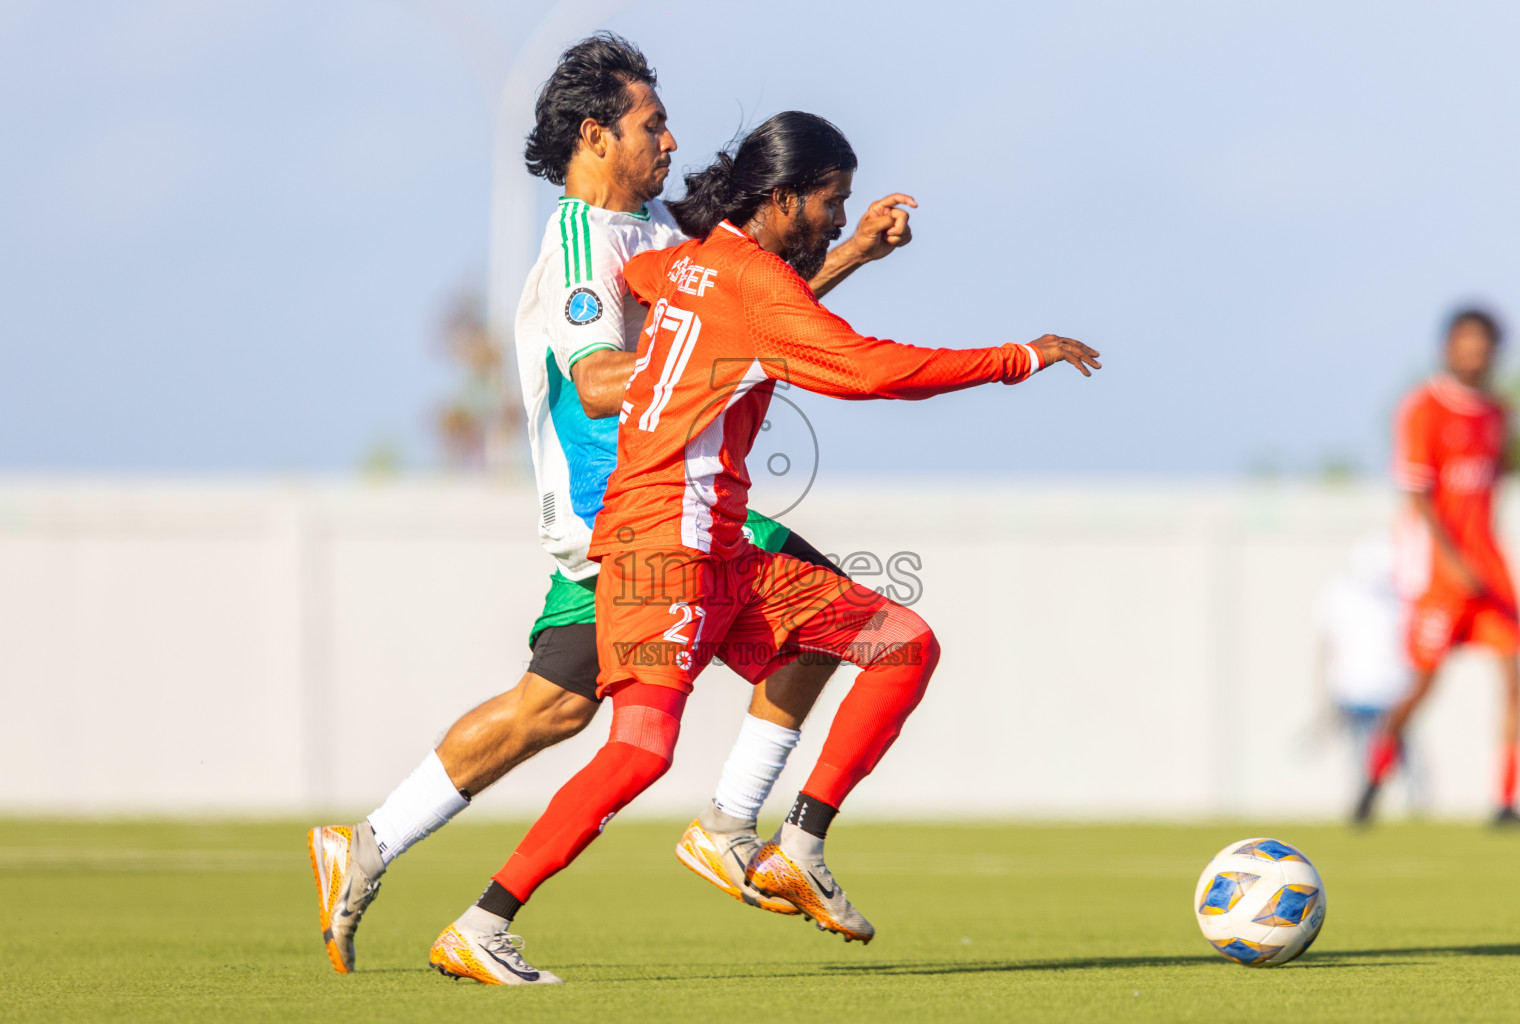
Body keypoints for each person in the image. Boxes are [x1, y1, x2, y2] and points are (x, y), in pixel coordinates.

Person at [426, 110, 1100, 985]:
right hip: (662, 543)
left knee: (900, 645)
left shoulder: (692, 262)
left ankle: (793, 842)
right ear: (782, 199)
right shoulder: (746, 280)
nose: (833, 217)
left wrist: (767, 287)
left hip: (716, 548)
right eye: (830, 202)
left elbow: (643, 272)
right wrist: (1019, 354)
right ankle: (483, 924)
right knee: (639, 750)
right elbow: (870, 370)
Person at [307, 35, 919, 976]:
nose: (671, 140)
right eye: (652, 123)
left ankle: (371, 844)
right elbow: (598, 383)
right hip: (633, 512)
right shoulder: (576, 249)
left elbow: (760, 323)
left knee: (550, 710)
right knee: (849, 623)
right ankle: (732, 826)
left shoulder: (662, 234)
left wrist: (851, 261)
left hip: (660, 503)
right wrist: (711, 365)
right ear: (596, 135)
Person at [1355, 308, 1520, 826]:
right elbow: (1417, 495)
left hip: (1489, 566)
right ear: (1448, 348)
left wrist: (1484, 555)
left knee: (1515, 676)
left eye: (1484, 344)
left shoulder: (1499, 413)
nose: (1474, 352)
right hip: (1441, 571)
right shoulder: (1424, 409)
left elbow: (1492, 486)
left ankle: (1505, 802)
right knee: (1425, 683)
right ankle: (1375, 775)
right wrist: (1452, 564)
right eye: (1465, 342)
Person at [1315, 538, 1422, 811]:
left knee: (1404, 759)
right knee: (1361, 756)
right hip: (1354, 693)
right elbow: (1329, 644)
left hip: (1394, 694)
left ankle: (1415, 807)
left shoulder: (1402, 594)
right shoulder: (1340, 593)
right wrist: (1327, 690)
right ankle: (1364, 807)